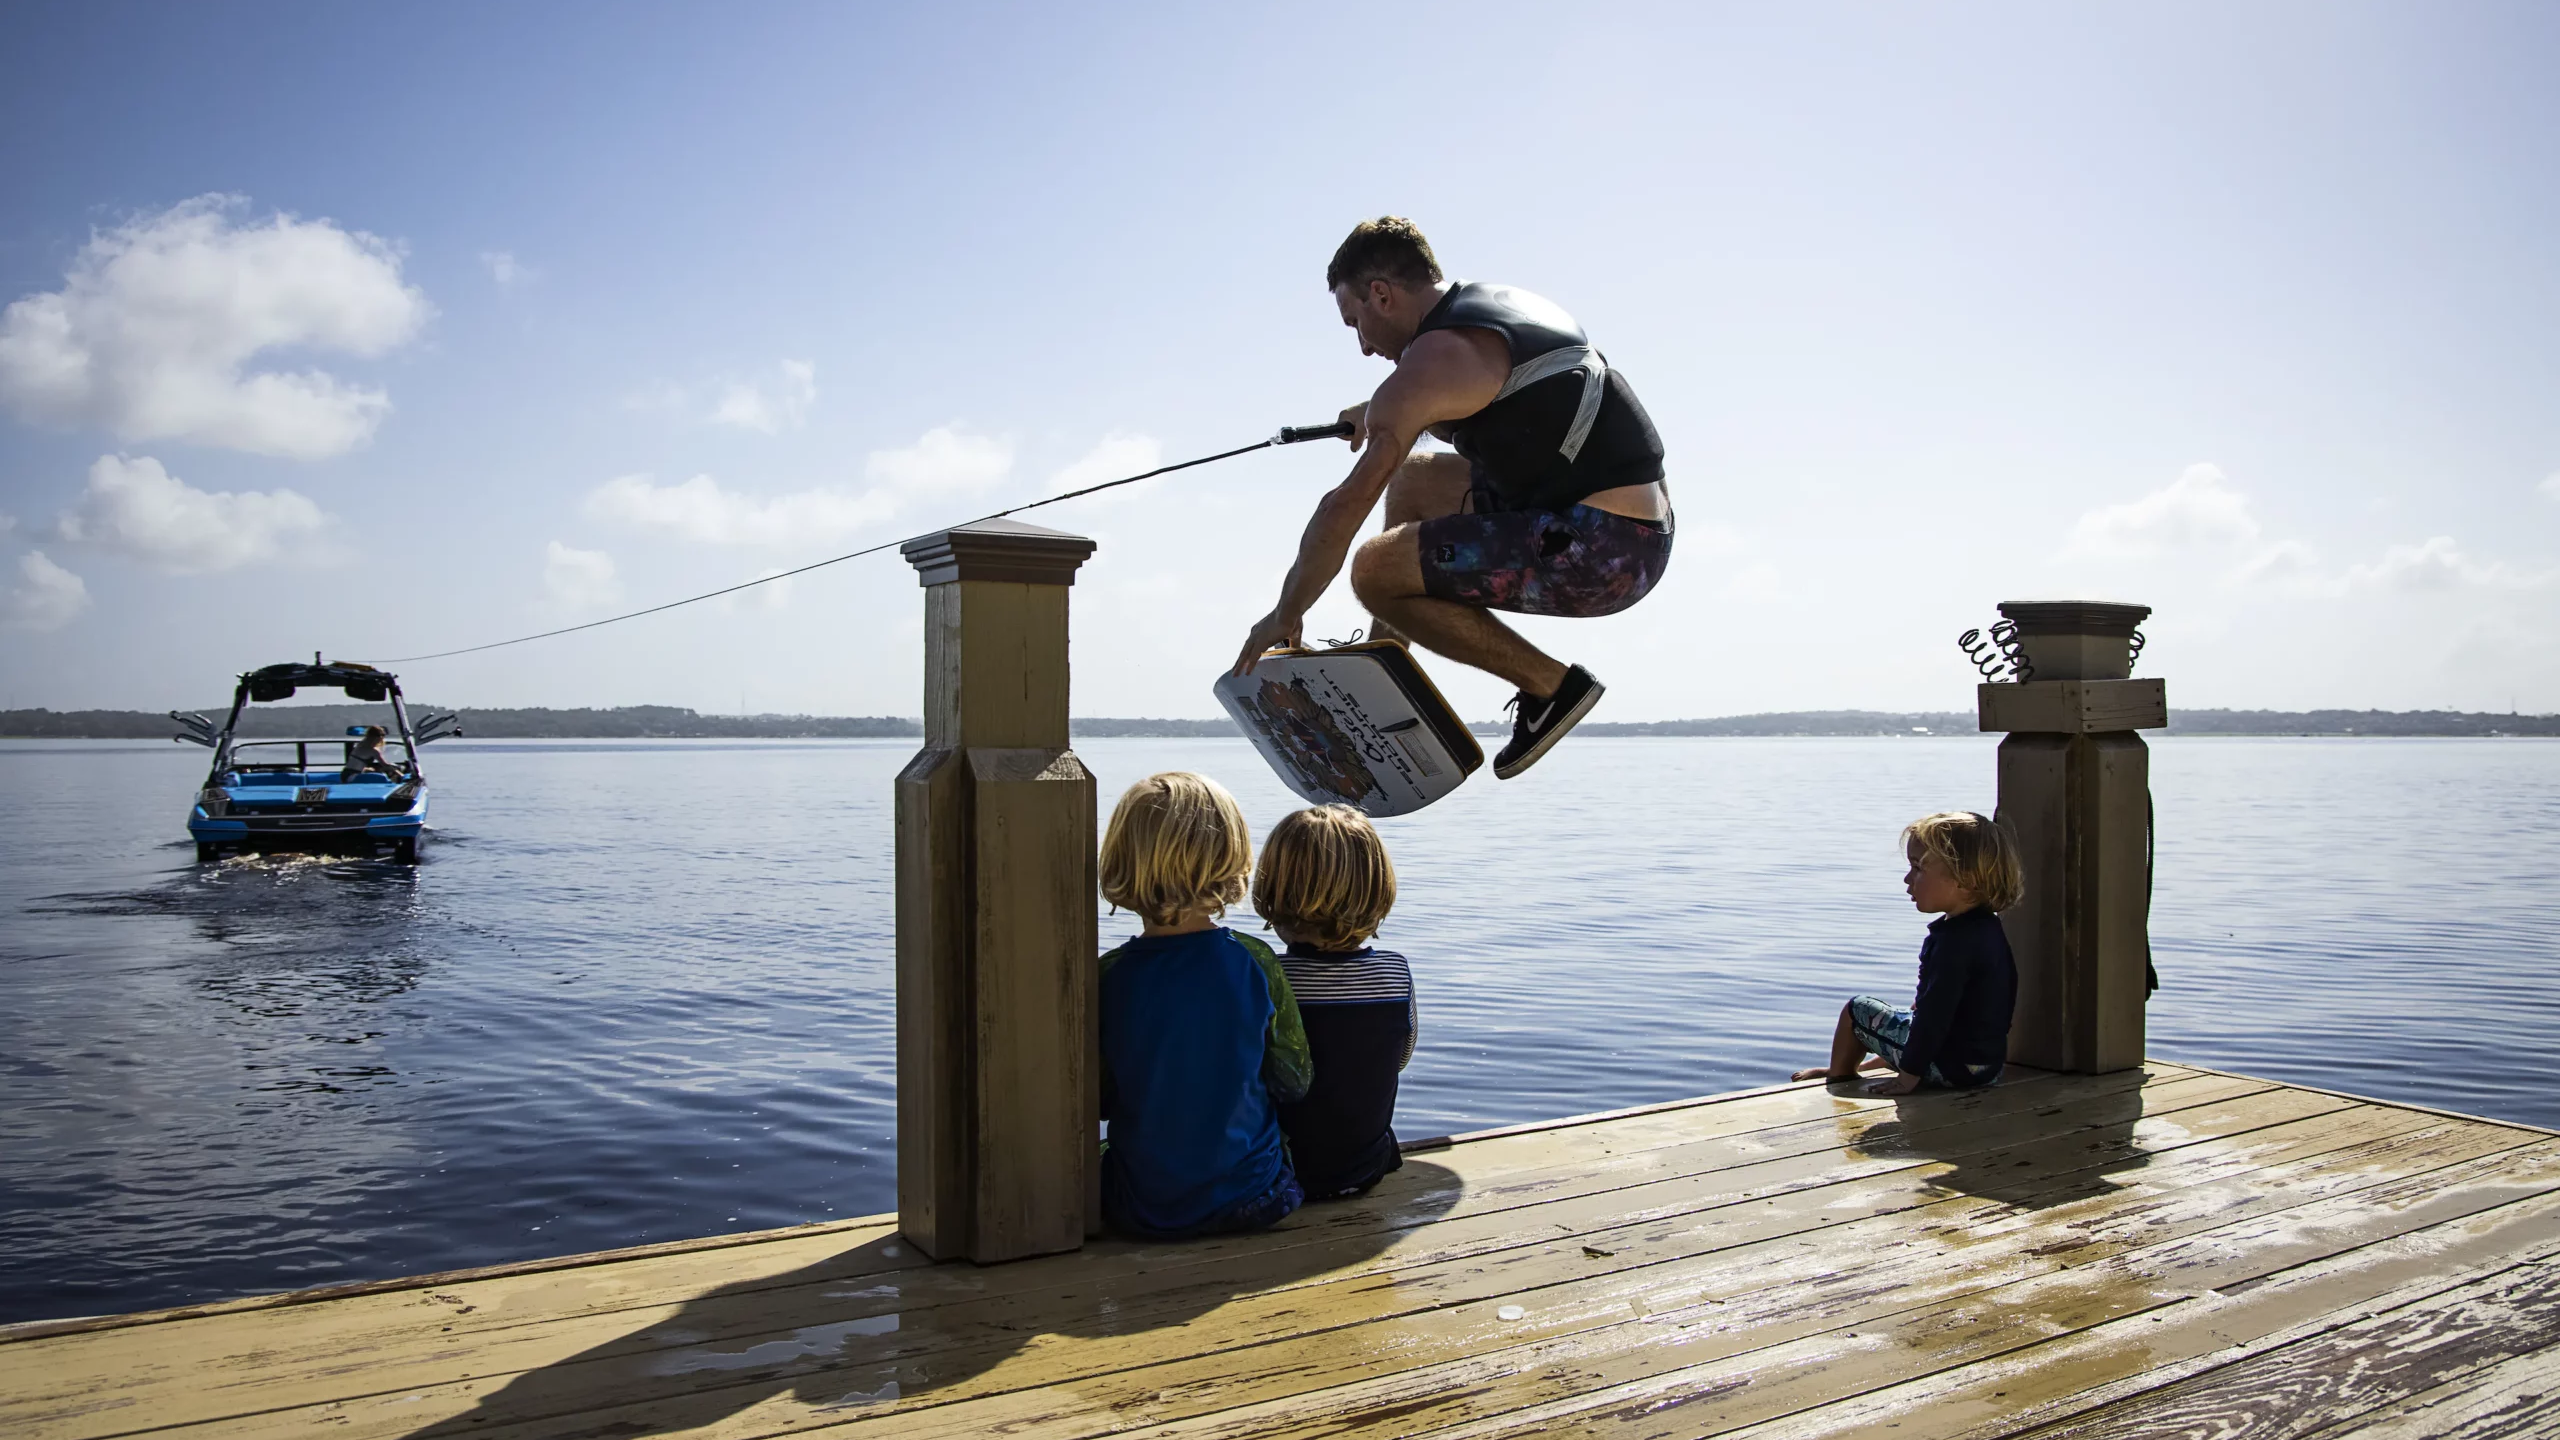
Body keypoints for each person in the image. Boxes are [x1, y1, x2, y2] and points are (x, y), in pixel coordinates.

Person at [1233, 215, 1673, 780]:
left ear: (1381, 295)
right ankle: (1387, 661)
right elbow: (1485, 394)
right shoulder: (1491, 309)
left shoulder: (1429, 368)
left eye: (1355, 323)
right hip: (1621, 523)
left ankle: (1552, 688)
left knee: (1373, 570)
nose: (1364, 346)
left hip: (1604, 552)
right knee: (1412, 477)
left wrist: (1285, 612)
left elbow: (1342, 506)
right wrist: (1375, 411)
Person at [1097, 772, 1314, 1239]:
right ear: (1231, 858)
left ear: (1119, 860)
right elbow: (1295, 1080)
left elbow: (1096, 1095)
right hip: (1254, 1198)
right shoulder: (1255, 961)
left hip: (1142, 1205)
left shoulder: (1108, 975)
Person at [1792, 812, 2024, 1095]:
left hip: (1949, 1068)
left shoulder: (1952, 944)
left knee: (1857, 1010)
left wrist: (1908, 1077)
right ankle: (1868, 1068)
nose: (1907, 878)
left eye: (1918, 868)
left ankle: (1841, 1076)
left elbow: (1933, 1019)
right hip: (1984, 1068)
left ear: (1966, 880)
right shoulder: (1989, 929)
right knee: (1910, 1015)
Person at [1251, 805, 1417, 1200]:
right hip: (1364, 1168)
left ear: (1272, 889)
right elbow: (1400, 1057)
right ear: (1377, 889)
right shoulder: (1395, 973)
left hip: (1282, 1171)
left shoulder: (1265, 976)